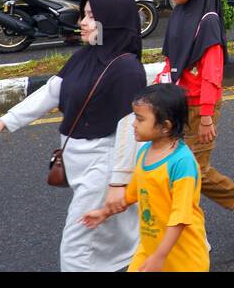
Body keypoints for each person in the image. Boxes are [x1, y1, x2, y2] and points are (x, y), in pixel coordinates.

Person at [0, 0, 144, 270]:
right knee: (108, 236)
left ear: (112, 22)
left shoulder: (126, 69)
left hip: (102, 164)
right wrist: (4, 122)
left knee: (77, 243)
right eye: (84, 15)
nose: (83, 22)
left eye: (92, 17)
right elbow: (52, 91)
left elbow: (129, 130)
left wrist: (118, 182)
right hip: (77, 159)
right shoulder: (84, 55)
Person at [155, 0, 234, 231]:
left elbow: (212, 75)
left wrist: (205, 117)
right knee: (177, 169)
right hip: (177, 104)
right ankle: (191, 231)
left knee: (194, 171)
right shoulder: (180, 14)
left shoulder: (208, 22)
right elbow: (172, 61)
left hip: (201, 106)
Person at [82, 83, 209, 272]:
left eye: (140, 119)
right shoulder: (144, 153)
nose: (133, 124)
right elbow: (134, 194)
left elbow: (181, 217)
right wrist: (104, 213)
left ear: (165, 126)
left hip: (184, 259)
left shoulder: (182, 164)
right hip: (150, 250)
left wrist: (160, 256)